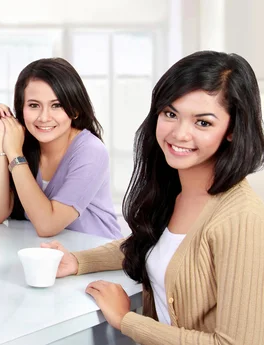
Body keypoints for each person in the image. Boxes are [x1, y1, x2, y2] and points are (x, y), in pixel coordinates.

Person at [43, 51, 264, 344]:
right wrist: (77, 261)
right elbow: (155, 246)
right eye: (170, 114)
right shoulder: (176, 189)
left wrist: (126, 320)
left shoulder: (241, 219)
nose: (179, 134)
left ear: (233, 130)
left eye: (203, 123)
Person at [0, 58, 121, 239]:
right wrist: (2, 134)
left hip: (96, 258)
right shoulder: (21, 142)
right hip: (49, 258)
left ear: (75, 110)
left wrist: (15, 155)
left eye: (57, 105)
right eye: (33, 105)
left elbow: (47, 225)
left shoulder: (91, 151)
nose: (44, 117)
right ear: (21, 109)